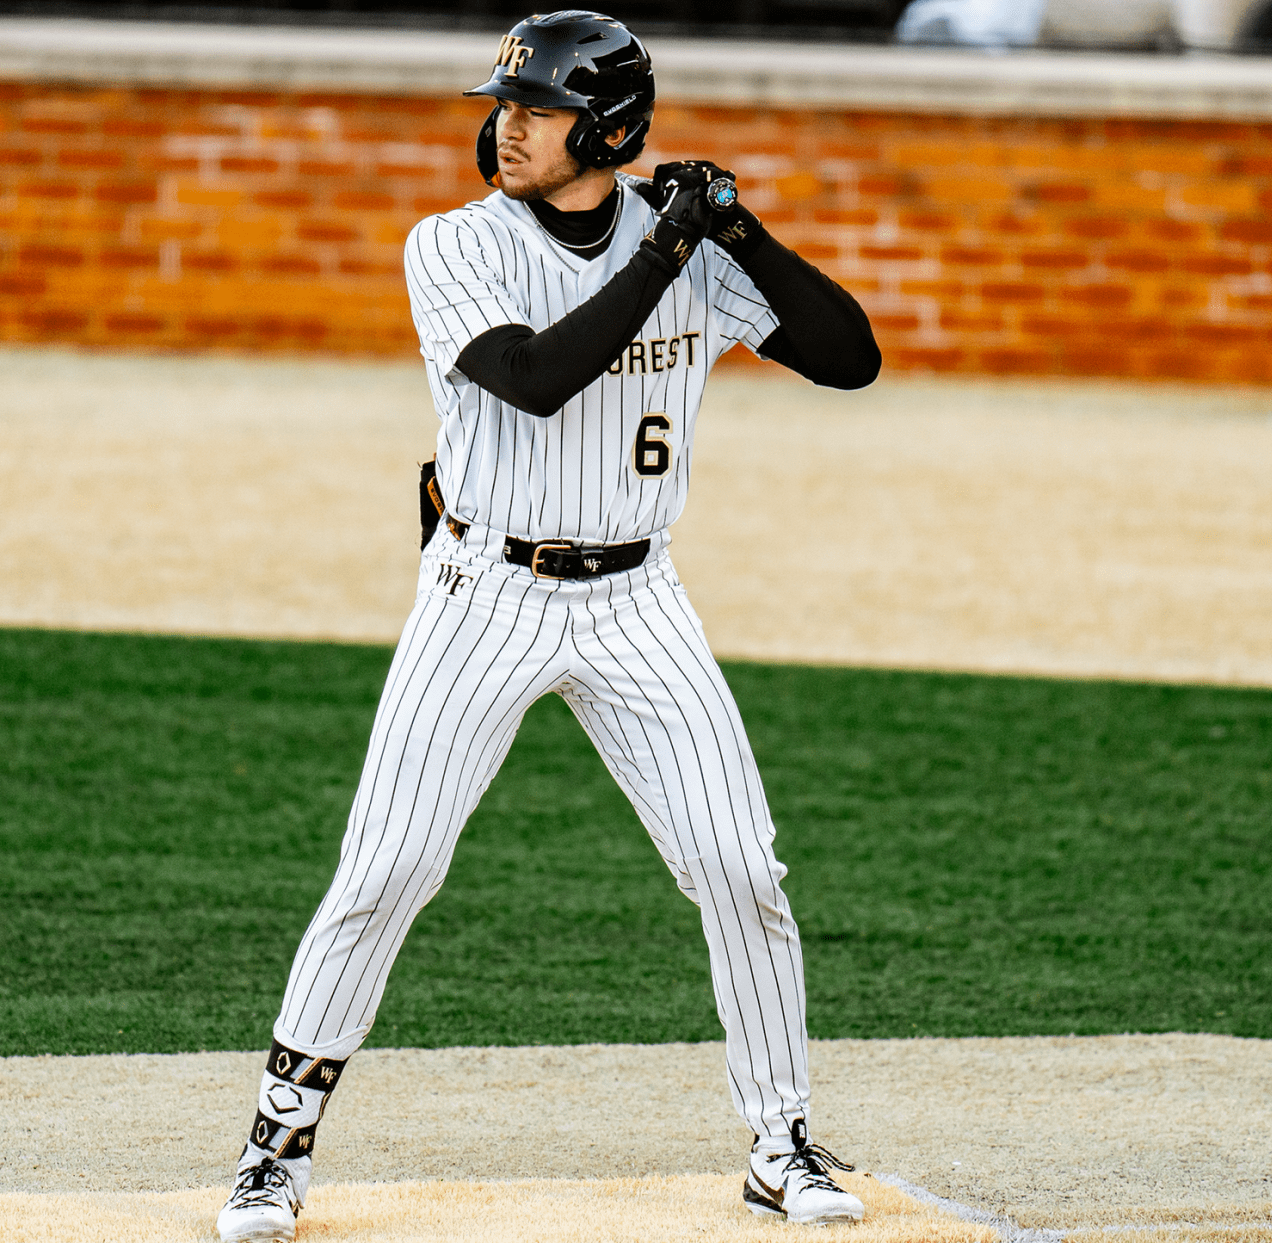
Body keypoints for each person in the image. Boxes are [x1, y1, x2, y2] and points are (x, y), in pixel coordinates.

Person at [215, 11, 881, 1240]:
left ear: (612, 129)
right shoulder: (453, 245)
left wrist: (737, 231)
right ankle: (276, 1143)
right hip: (485, 595)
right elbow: (535, 375)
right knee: (389, 869)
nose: (509, 123)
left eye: (540, 107)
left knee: (742, 867)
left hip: (639, 602)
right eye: (505, 101)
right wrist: (665, 252)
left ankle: (781, 1140)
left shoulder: (680, 243)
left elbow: (852, 358)